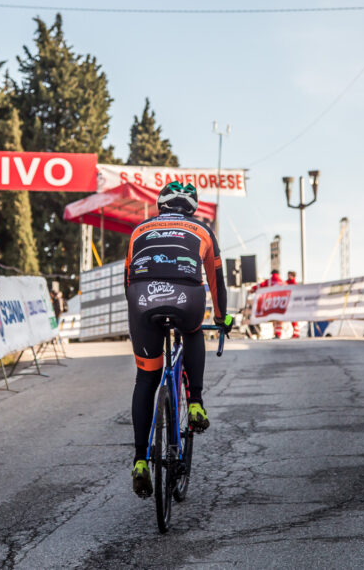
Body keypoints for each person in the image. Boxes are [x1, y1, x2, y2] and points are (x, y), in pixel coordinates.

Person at [124, 181, 231, 497]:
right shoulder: (203, 231)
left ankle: (141, 461)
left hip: (142, 299)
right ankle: (196, 403)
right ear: (192, 208)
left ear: (161, 205)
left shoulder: (138, 231)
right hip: (188, 298)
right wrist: (221, 319)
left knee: (146, 378)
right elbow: (217, 284)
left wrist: (138, 316)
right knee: (193, 331)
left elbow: (128, 280)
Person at [286, 271, 300, 338]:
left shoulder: (294, 283)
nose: (288, 276)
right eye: (288, 275)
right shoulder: (286, 283)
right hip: (287, 303)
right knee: (291, 319)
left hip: (293, 303)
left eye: (289, 275)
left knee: (294, 319)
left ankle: (296, 333)